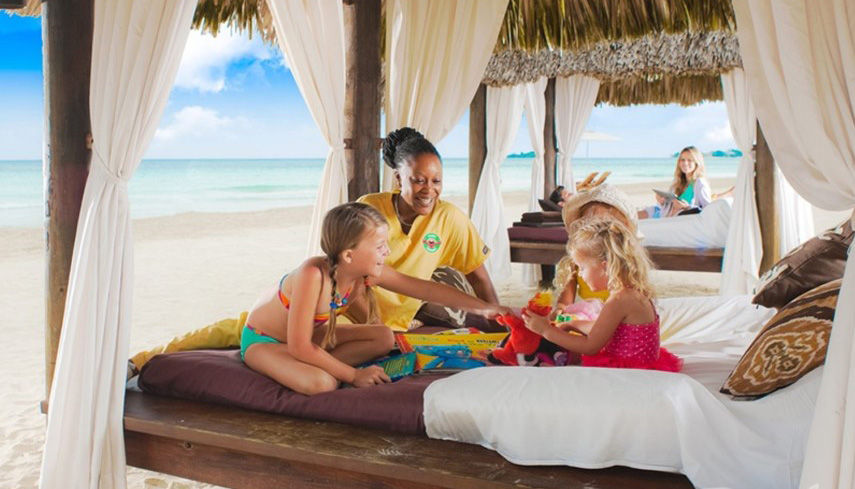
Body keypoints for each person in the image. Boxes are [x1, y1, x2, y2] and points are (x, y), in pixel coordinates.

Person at [241, 202, 510, 395]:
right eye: (380, 246)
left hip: (309, 338)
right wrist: (354, 375)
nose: (387, 251)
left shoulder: (365, 273)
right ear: (349, 255)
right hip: (267, 340)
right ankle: (312, 369)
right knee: (322, 383)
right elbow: (299, 346)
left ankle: (315, 367)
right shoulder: (313, 274)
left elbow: (424, 289)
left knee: (383, 336)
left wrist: (486, 308)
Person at [354, 127, 501, 331]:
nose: (429, 190)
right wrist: (377, 330)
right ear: (399, 178)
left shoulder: (449, 218)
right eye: (419, 180)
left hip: (400, 323)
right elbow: (351, 280)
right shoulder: (370, 210)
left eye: (436, 181)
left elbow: (479, 279)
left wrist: (502, 332)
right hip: (355, 316)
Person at [522, 218, 681, 372]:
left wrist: (545, 331)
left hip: (629, 372)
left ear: (605, 267)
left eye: (583, 268)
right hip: (638, 365)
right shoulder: (630, 292)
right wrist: (573, 324)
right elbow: (604, 329)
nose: (581, 275)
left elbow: (590, 346)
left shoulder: (620, 299)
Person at [552, 184, 639, 312]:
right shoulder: (579, 259)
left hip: (617, 317)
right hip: (591, 315)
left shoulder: (625, 262)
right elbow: (566, 299)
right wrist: (559, 310)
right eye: (589, 223)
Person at [639, 146, 712, 219]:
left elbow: (709, 210)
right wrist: (661, 201)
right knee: (632, 217)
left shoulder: (700, 183)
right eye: (682, 160)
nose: (685, 163)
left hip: (674, 219)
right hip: (663, 212)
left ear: (696, 163)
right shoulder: (678, 182)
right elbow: (667, 205)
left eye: (689, 160)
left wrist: (687, 207)